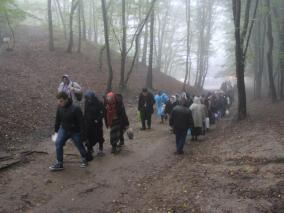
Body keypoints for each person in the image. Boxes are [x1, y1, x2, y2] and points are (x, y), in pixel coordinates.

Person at [49, 92, 88, 171]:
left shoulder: (76, 108)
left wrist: (83, 135)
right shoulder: (59, 107)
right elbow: (58, 120)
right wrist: (56, 131)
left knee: (79, 145)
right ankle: (59, 163)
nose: (59, 103)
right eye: (58, 101)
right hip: (63, 129)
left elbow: (81, 123)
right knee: (58, 143)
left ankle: (85, 158)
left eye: (61, 101)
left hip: (75, 131)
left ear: (66, 99)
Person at [84, 91, 105, 160]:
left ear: (92, 97)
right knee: (88, 136)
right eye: (87, 99)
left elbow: (103, 112)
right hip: (88, 123)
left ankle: (100, 148)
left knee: (99, 136)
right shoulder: (86, 103)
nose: (88, 100)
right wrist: (84, 121)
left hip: (97, 124)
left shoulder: (99, 103)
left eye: (89, 98)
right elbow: (85, 112)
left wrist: (98, 119)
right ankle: (90, 149)